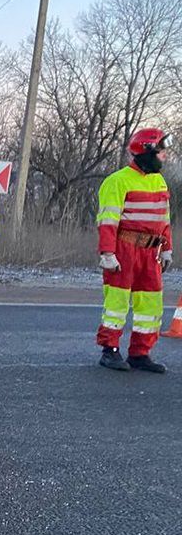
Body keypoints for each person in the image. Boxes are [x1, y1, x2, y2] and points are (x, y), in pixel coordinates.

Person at [96, 128, 174, 373]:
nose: (164, 156)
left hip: (151, 253)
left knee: (150, 304)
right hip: (125, 249)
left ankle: (140, 353)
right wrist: (107, 253)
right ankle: (110, 350)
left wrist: (167, 248)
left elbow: (164, 219)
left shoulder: (159, 181)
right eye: (161, 151)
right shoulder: (118, 181)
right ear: (147, 152)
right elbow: (107, 221)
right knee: (117, 302)